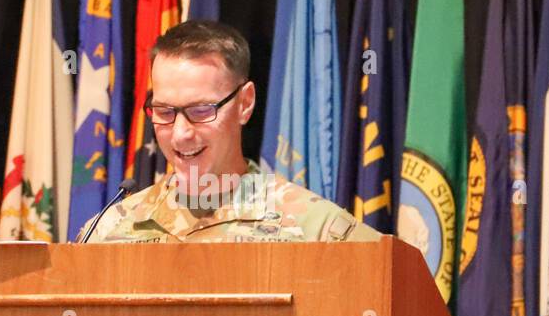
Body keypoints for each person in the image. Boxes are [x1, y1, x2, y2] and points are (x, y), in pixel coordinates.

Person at [81, 20, 380, 244]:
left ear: (245, 104)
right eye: (165, 112)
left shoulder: (318, 231)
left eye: (200, 111)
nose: (181, 133)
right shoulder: (108, 232)